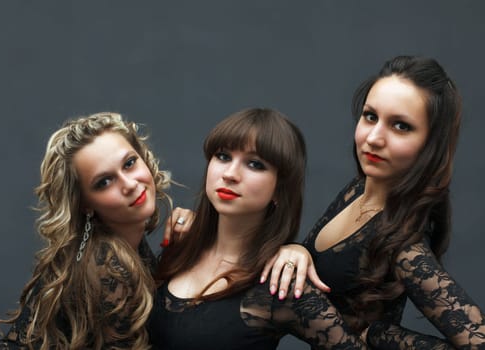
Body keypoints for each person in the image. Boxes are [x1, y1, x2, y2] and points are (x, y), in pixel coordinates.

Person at [263, 55, 485, 348]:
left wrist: (380, 336)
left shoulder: (405, 245)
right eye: (370, 116)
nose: (375, 138)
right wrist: (296, 250)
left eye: (401, 126)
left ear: (431, 145)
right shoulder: (356, 190)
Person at [148, 108, 368, 349]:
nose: (230, 174)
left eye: (254, 164)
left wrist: (296, 249)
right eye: (223, 156)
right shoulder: (180, 245)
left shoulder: (279, 281)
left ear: (279, 190)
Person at [0, 112, 190, 349]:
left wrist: (185, 247)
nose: (129, 184)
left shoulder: (125, 244)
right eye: (104, 182)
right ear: (85, 204)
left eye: (129, 163)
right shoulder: (104, 262)